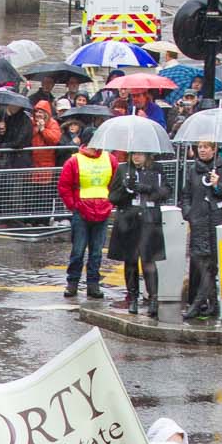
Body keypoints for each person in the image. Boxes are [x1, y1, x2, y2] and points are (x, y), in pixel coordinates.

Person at [178, 138, 222, 321]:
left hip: (217, 221)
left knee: (211, 266)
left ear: (214, 150)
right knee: (200, 263)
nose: (202, 150)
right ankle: (212, 303)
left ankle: (198, 303)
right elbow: (186, 194)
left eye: (206, 147)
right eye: (200, 147)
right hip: (198, 222)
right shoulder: (193, 170)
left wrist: (218, 185)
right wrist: (188, 213)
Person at [109, 148, 169, 318]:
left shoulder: (156, 168)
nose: (136, 157)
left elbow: (166, 192)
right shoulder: (123, 169)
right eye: (134, 153)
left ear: (147, 155)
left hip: (150, 222)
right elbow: (112, 196)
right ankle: (133, 297)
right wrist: (125, 191)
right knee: (131, 262)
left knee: (149, 262)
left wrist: (147, 188)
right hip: (129, 222)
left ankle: (153, 299)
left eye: (140, 153)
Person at [58, 130, 113, 300]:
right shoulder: (74, 161)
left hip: (102, 211)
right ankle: (72, 283)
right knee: (78, 250)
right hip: (81, 212)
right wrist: (74, 206)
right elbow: (64, 186)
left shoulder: (110, 159)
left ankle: (93, 284)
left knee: (96, 252)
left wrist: (109, 202)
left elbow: (115, 182)